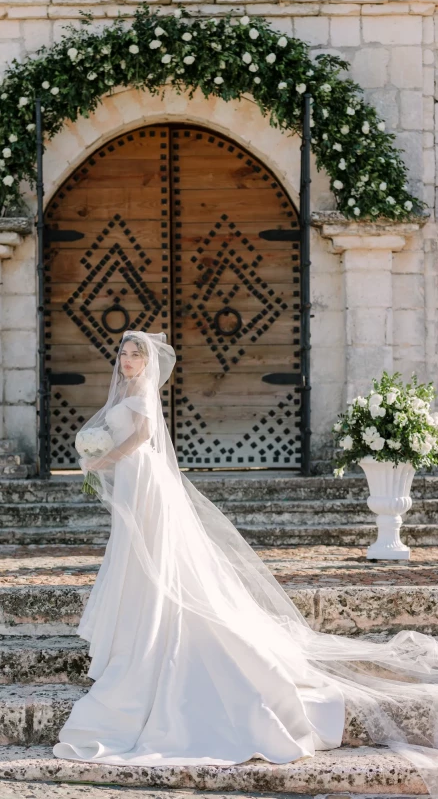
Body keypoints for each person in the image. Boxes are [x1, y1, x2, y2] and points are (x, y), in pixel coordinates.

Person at [53, 330, 438, 790]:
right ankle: (137, 626)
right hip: (138, 479)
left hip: (144, 478)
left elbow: (142, 436)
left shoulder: (141, 396)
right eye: (125, 353)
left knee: (151, 557)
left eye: (137, 354)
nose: (129, 360)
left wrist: (103, 459)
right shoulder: (128, 390)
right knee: (135, 557)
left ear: (148, 362)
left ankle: (149, 631)